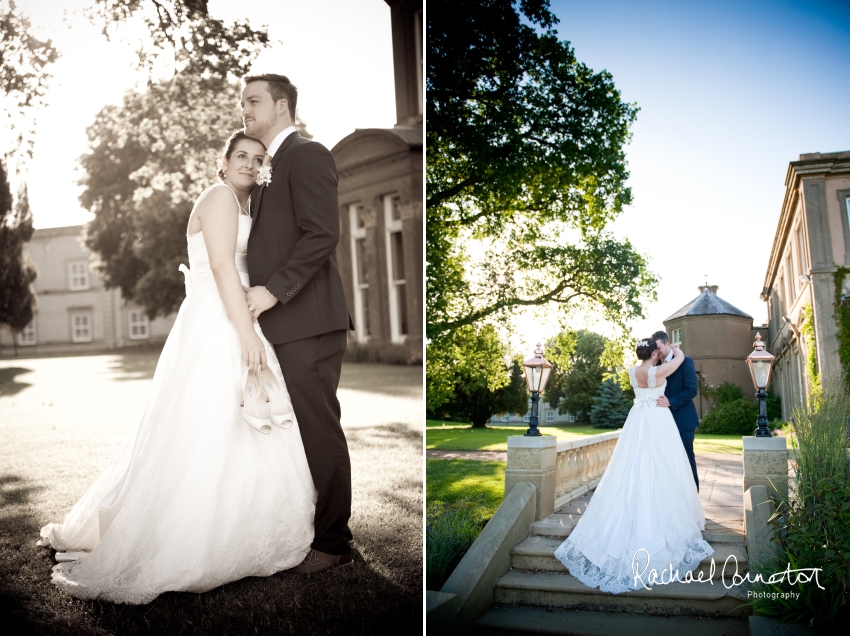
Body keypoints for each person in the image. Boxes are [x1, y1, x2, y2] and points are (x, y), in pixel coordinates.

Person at [37, 132, 316, 604]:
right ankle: (193, 535)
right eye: (240, 157)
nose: (249, 164)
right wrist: (247, 333)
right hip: (221, 318)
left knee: (241, 422)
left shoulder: (248, 207)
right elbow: (226, 268)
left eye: (257, 158)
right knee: (214, 421)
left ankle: (245, 523)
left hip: (233, 313)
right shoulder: (220, 197)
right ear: (222, 163)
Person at [240, 73, 355, 573]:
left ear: (282, 106)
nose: (244, 109)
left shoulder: (307, 154)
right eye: (242, 101)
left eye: (253, 101)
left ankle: (333, 544)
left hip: (308, 321)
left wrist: (273, 289)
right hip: (282, 325)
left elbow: (321, 233)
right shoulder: (269, 164)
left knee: (318, 429)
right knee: (295, 433)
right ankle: (306, 526)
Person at [553, 337, 712, 594]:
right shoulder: (659, 371)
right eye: (657, 350)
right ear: (653, 352)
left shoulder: (631, 371)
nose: (660, 353)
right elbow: (679, 360)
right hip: (657, 421)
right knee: (664, 465)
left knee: (634, 464)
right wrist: (677, 350)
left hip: (638, 420)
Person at [652, 330, 700, 491]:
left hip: (683, 420)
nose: (656, 352)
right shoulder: (655, 365)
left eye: (658, 347)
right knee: (666, 461)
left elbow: (691, 390)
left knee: (686, 459)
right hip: (661, 421)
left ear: (667, 344)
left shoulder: (686, 361)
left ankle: (694, 499)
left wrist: (670, 401)